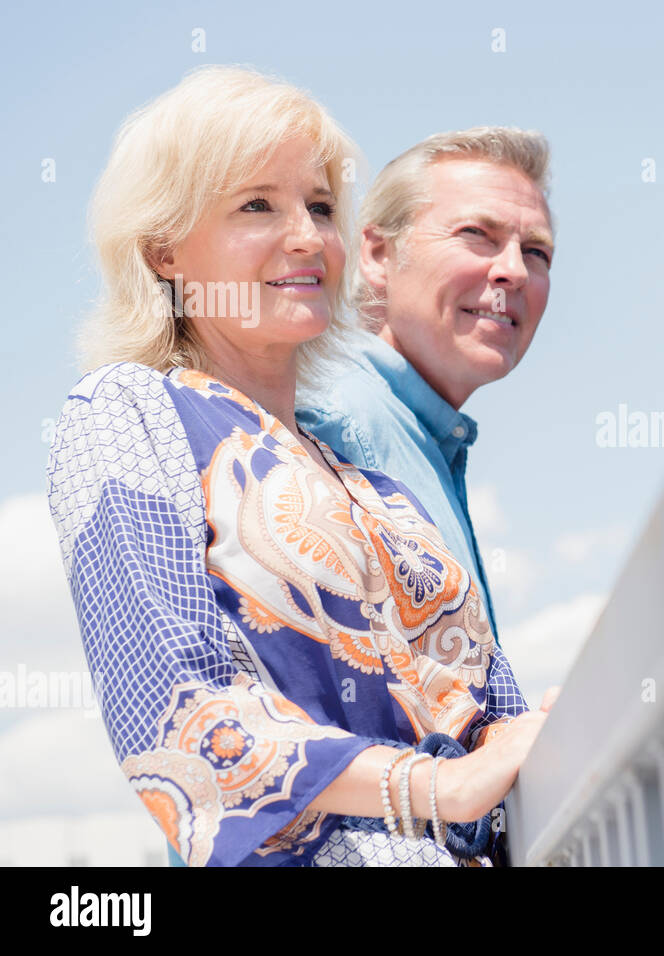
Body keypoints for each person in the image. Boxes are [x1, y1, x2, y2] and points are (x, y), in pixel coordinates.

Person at [46, 65, 555, 867]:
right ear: (164, 250)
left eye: (320, 207)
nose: (307, 237)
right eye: (258, 205)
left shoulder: (376, 490)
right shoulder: (128, 413)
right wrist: (435, 789)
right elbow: (176, 716)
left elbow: (498, 722)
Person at [296, 127, 555, 643]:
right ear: (376, 256)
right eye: (476, 234)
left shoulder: (421, 438)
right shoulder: (335, 421)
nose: (514, 271)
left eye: (536, 252)